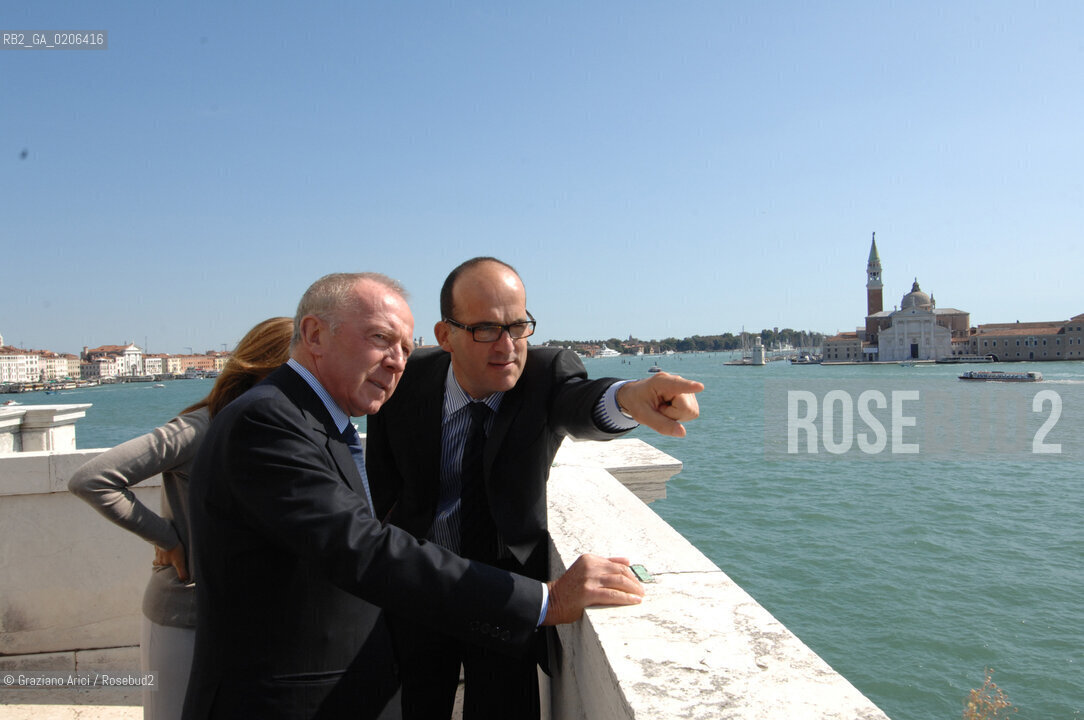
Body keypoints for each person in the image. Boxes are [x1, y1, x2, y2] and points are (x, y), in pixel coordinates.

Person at [181, 272, 644, 720]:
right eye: (381, 338)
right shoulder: (268, 422)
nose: (397, 361)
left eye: (404, 348)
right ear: (315, 334)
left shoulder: (313, 421)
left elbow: (577, 400)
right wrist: (545, 600)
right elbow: (363, 546)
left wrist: (628, 399)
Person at [365, 257, 703, 720]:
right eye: (486, 329)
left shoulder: (545, 373)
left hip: (509, 592)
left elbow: (581, 402)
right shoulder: (405, 380)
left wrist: (630, 399)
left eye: (518, 326)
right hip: (421, 584)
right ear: (445, 335)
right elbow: (383, 488)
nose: (507, 346)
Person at [68, 316, 294, 720]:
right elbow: (94, 479)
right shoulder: (200, 427)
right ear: (263, 367)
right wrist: (168, 538)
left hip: (248, 618)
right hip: (184, 614)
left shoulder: (282, 431)